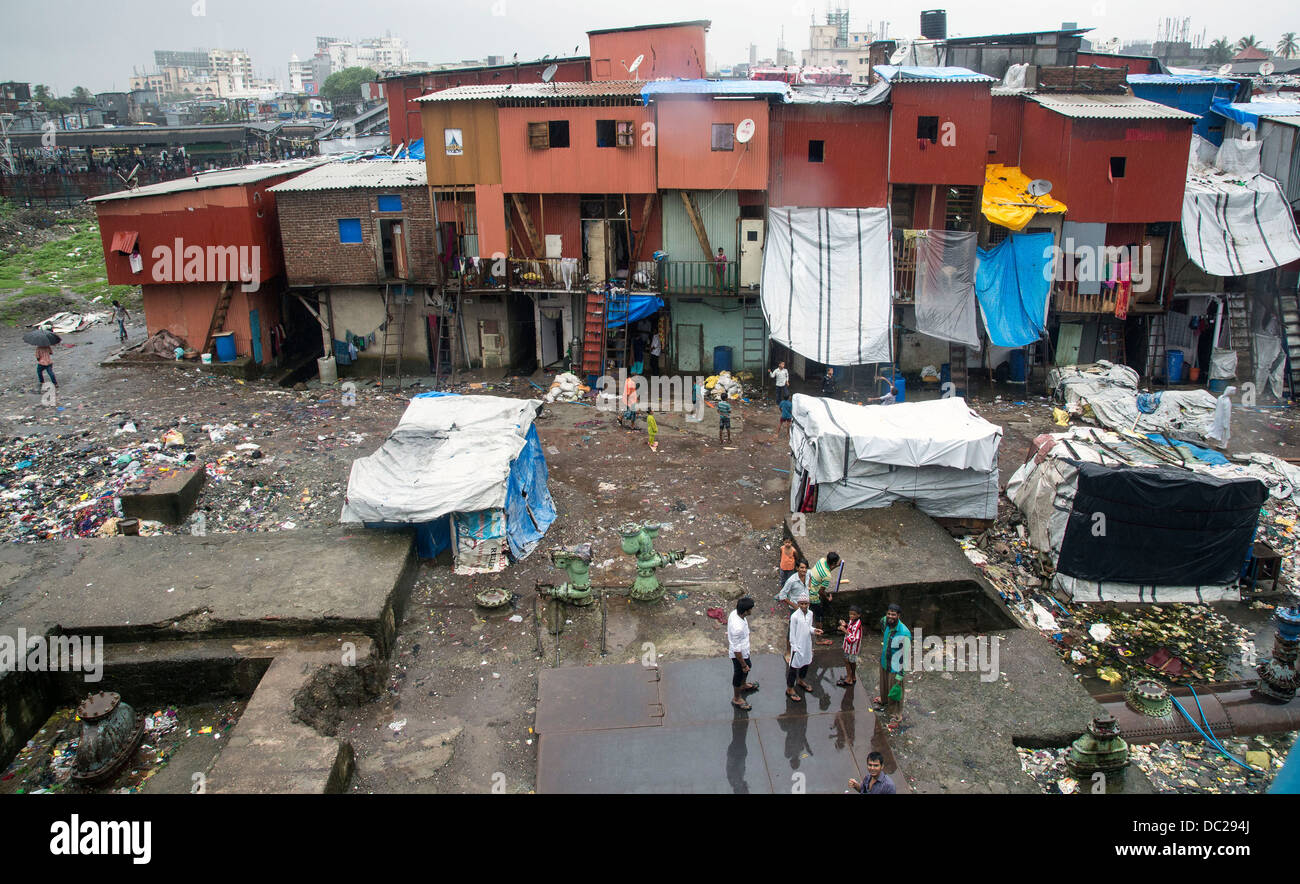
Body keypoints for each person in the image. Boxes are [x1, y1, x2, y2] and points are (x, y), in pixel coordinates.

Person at [876, 604, 911, 724]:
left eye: (893, 615)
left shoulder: (904, 633)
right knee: (884, 684)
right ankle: (884, 700)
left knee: (896, 690)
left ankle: (896, 714)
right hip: (885, 661)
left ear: (899, 616)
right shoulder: (886, 622)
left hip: (896, 667)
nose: (890, 616)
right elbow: (882, 621)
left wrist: (900, 675)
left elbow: (905, 656)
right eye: (889, 614)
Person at [786, 596, 822, 701]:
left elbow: (808, 627)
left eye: (805, 603)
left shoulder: (810, 614)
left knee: (806, 663)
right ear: (798, 604)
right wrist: (794, 647)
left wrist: (814, 630)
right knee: (793, 668)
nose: (804, 606)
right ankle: (790, 688)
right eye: (801, 604)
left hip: (807, 644)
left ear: (808, 604)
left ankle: (801, 680)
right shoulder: (795, 617)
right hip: (797, 646)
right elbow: (792, 633)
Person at [729, 597, 759, 710]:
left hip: (744, 650)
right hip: (739, 655)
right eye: (750, 609)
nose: (752, 611)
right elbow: (736, 651)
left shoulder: (735, 613)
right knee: (739, 674)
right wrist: (743, 664)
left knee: (748, 666)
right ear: (746, 611)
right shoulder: (738, 628)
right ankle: (736, 698)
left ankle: (743, 685)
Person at [808, 552, 841, 646]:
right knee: (819, 618)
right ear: (833, 563)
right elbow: (821, 592)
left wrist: (836, 566)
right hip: (813, 595)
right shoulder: (827, 576)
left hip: (808, 586)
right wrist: (827, 598)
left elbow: (827, 570)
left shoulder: (821, 561)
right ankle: (819, 639)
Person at [837, 605, 863, 688]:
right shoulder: (852, 621)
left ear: (858, 615)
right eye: (850, 614)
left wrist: (845, 631)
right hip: (849, 647)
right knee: (851, 661)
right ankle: (853, 676)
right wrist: (845, 625)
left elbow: (854, 638)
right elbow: (850, 628)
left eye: (854, 614)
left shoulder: (857, 626)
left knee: (847, 661)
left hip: (852, 648)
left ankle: (849, 679)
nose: (851, 616)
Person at [1208, 385, 1238, 450]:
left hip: (1218, 418)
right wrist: (1226, 422)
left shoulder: (1220, 397)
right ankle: (1223, 444)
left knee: (1220, 431)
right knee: (1224, 432)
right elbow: (1227, 413)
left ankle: (1222, 443)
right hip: (1224, 420)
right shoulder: (1227, 401)